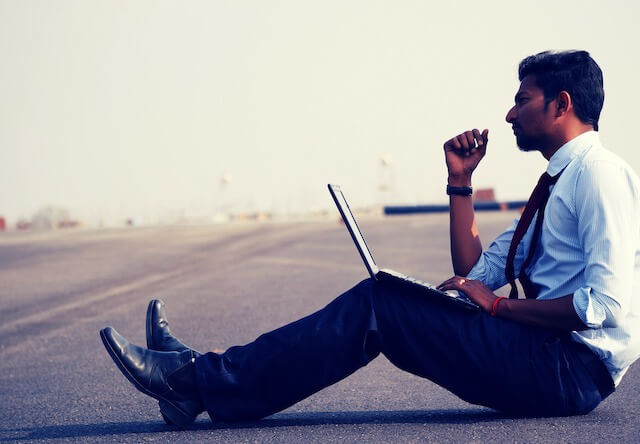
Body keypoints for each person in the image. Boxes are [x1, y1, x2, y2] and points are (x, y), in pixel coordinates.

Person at [100, 50, 640, 428]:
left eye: (522, 99)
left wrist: (496, 308)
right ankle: (197, 377)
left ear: (561, 104)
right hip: (544, 355)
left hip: (569, 371)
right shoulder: (560, 179)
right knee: (388, 297)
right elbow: (476, 271)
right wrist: (460, 182)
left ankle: (193, 380)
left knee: (381, 304)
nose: (508, 112)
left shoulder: (597, 174)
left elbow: (605, 306)